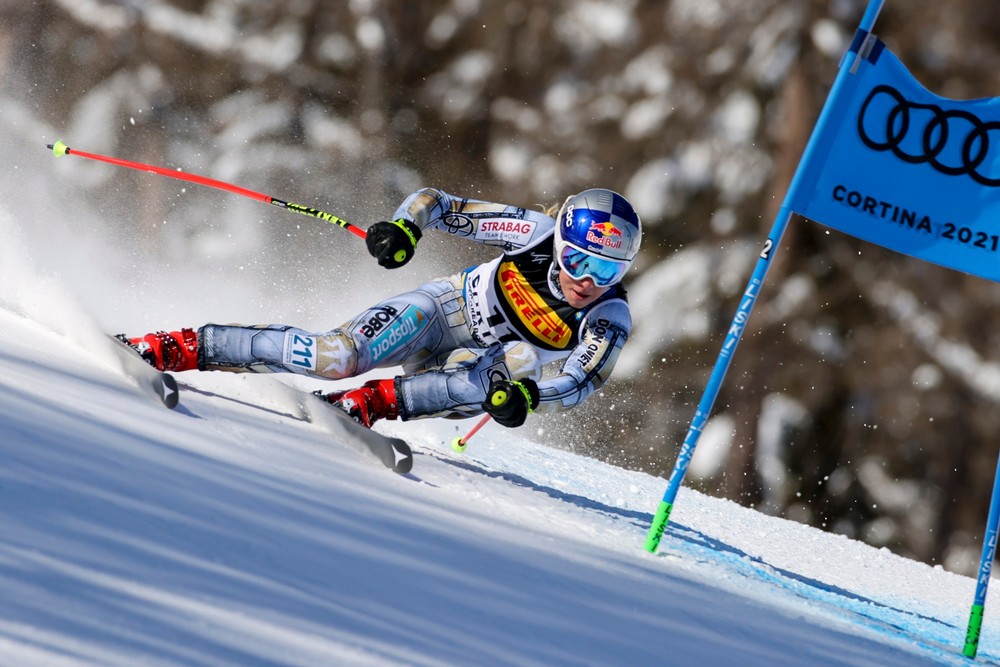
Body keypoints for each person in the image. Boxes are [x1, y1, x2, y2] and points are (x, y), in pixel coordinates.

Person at [124, 187, 641, 430]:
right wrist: (404, 229)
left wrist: (529, 398)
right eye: (577, 260)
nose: (586, 283)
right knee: (336, 356)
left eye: (607, 273)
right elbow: (438, 204)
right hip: (441, 311)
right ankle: (182, 347)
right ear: (561, 244)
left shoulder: (608, 318)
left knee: (514, 373)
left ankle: (370, 403)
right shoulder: (534, 232)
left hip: (480, 363)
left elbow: (579, 381)